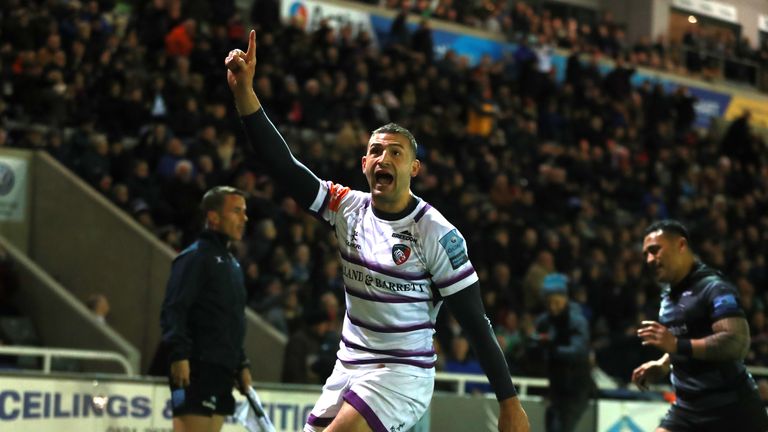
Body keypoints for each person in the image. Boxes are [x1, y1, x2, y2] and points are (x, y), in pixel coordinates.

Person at [225, 30, 529, 432]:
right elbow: (283, 166)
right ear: (364, 163)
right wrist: (245, 93)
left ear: (414, 169)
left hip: (402, 374)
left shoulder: (436, 233)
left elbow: (475, 322)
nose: (384, 158)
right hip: (349, 364)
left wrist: (509, 403)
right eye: (376, 151)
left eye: (396, 152)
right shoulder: (345, 207)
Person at [632, 220, 768, 432]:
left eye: (655, 250)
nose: (649, 259)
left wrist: (676, 345)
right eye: (646, 254)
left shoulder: (714, 288)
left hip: (732, 411)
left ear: (681, 245)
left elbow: (736, 342)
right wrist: (663, 363)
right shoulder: (668, 298)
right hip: (687, 410)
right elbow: (689, 338)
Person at [160, 185, 252, 432]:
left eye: (244, 212)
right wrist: (179, 355)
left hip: (222, 371)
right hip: (196, 369)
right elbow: (174, 309)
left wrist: (241, 364)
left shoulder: (231, 263)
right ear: (213, 216)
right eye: (236, 211)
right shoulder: (194, 257)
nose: (244, 218)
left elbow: (232, 319)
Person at [531, 273, 592, 432]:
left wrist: (551, 348)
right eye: (549, 303)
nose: (553, 307)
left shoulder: (577, 321)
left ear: (565, 299)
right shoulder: (544, 321)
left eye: (557, 302)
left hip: (575, 389)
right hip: (556, 389)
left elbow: (578, 352)